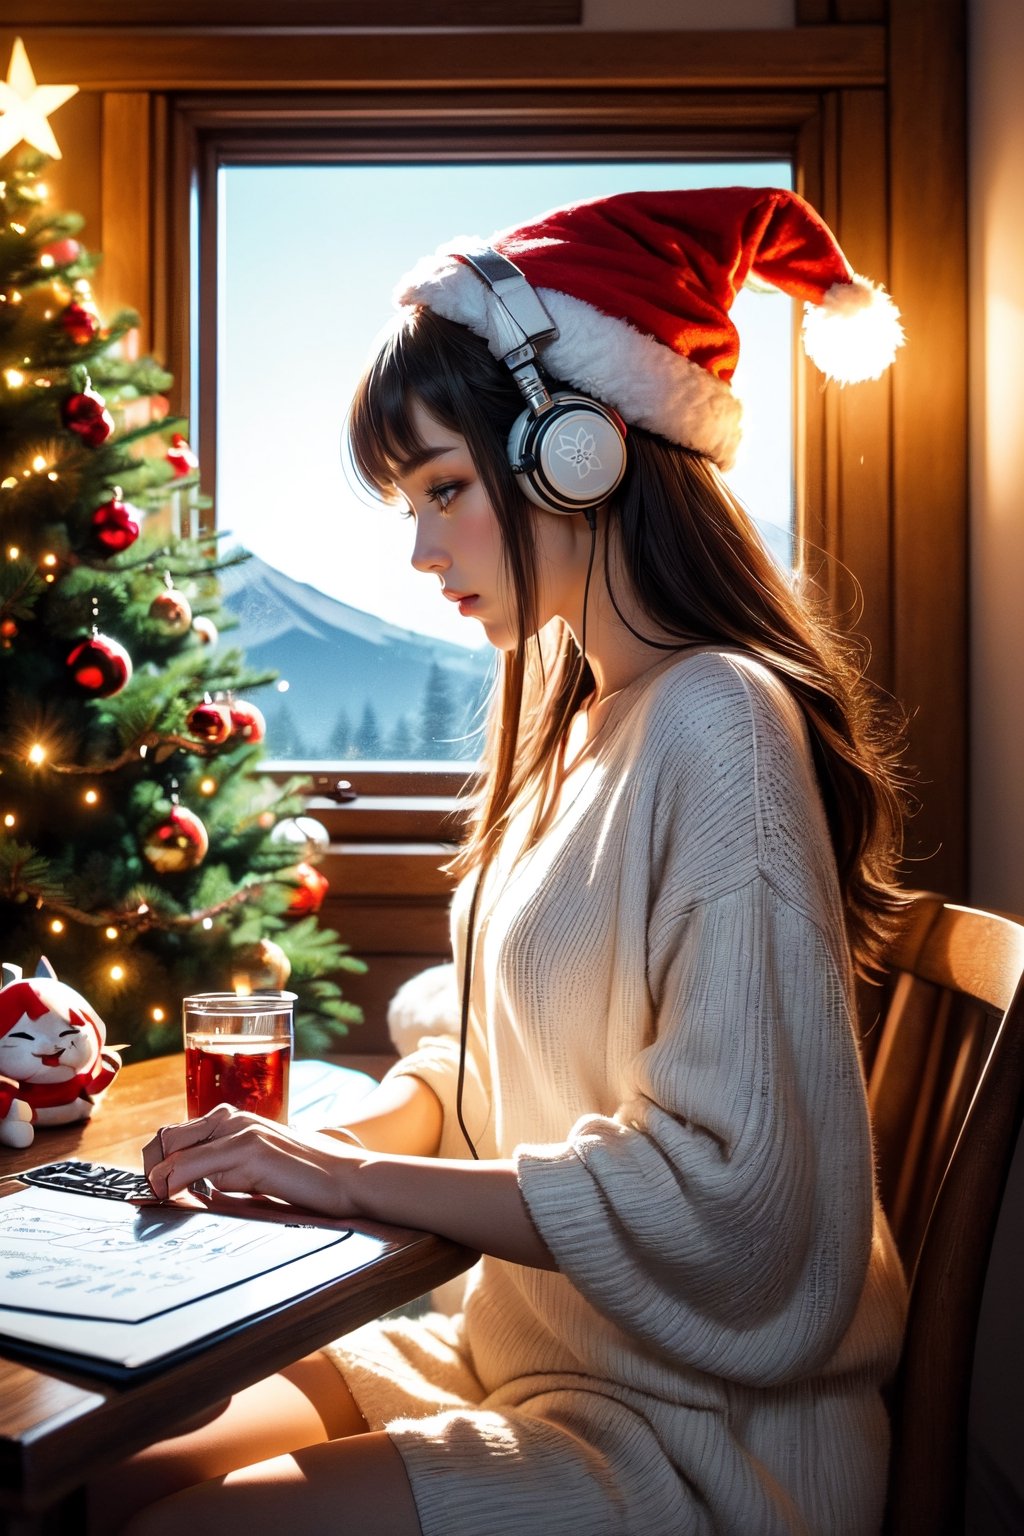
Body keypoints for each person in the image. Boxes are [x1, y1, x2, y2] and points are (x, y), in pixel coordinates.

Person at [103, 186, 911, 1536]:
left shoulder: (719, 725)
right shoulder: (572, 719)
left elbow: (745, 1204)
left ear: (578, 452)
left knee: (191, 1524)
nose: (419, 550)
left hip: (701, 1435)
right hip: (527, 1353)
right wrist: (314, 1144)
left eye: (444, 490)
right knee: (112, 1475)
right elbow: (489, 1077)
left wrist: (349, 1184)